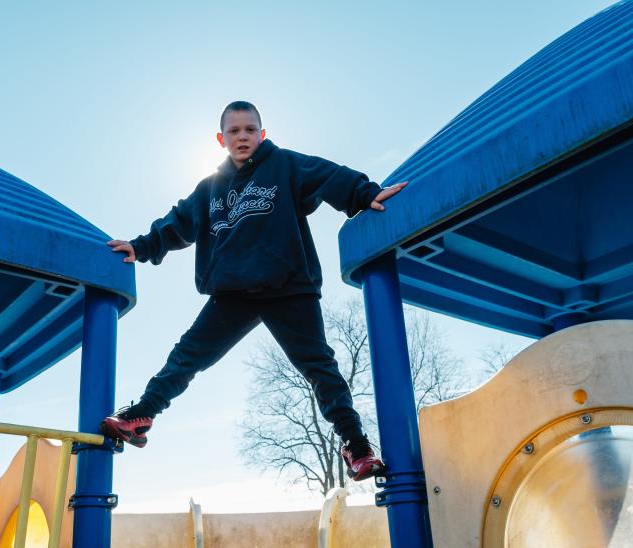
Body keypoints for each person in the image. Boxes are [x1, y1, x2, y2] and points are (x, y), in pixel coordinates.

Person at [103, 101, 408, 480]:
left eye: (250, 130)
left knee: (319, 367)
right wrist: (141, 246)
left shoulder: (285, 166)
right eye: (234, 131)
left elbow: (329, 176)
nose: (243, 136)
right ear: (221, 139)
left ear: (261, 134)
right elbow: (177, 222)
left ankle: (356, 445)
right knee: (187, 356)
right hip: (233, 293)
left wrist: (365, 194)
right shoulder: (210, 188)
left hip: (288, 287)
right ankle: (143, 414)